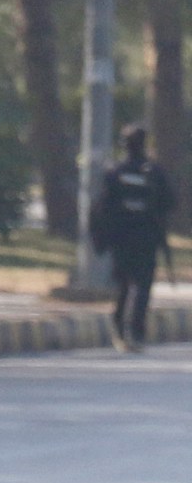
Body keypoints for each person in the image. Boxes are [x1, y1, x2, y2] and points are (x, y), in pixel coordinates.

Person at [91, 124, 174, 351]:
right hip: (146, 239)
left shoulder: (115, 172)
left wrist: (102, 239)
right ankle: (136, 332)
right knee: (143, 287)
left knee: (124, 285)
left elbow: (101, 208)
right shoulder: (154, 172)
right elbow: (170, 202)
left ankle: (119, 326)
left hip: (122, 240)